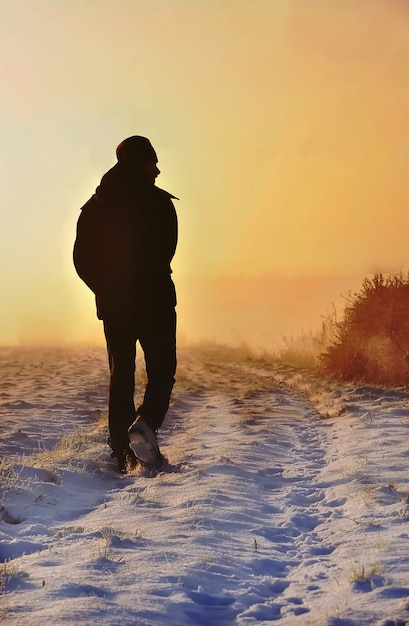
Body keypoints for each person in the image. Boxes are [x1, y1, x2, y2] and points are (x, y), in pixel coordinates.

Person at [73, 136, 178, 473]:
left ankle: (121, 453)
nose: (158, 170)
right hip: (157, 304)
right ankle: (145, 424)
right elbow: (167, 252)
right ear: (139, 164)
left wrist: (106, 289)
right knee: (162, 370)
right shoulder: (160, 203)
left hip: (116, 308)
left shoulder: (95, 206)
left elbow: (81, 259)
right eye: (152, 162)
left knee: (122, 377)